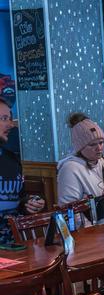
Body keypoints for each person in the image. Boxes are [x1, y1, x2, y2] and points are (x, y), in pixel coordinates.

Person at [57, 113, 104, 225]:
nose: (99, 148)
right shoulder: (70, 169)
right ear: (80, 147)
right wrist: (91, 233)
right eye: (92, 145)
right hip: (94, 233)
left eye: (101, 143)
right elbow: (69, 211)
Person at [0, 97, 45, 244]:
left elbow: (18, 199)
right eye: (4, 119)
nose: (11, 124)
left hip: (16, 244)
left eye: (10, 118)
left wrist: (29, 204)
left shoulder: (12, 159)